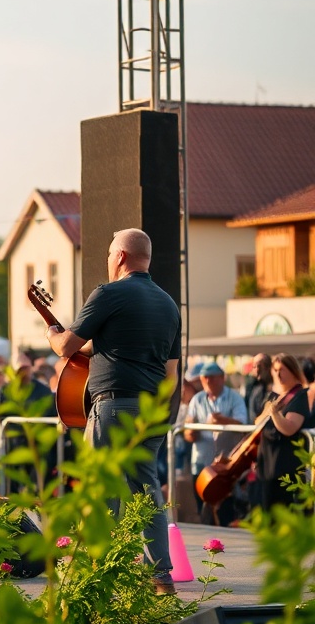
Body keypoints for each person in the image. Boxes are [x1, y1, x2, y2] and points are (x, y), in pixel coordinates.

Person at [46, 228, 181, 596]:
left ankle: (99, 574)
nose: (107, 260)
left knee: (101, 490)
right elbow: (171, 374)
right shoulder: (168, 304)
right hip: (152, 412)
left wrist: (51, 334)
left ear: (120, 256)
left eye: (109, 253)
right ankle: (161, 577)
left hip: (113, 406)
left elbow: (65, 346)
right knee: (147, 493)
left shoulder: (108, 293)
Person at [183, 362, 247, 526]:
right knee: (202, 507)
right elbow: (187, 432)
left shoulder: (235, 398)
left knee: (226, 510)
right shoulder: (197, 400)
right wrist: (191, 432)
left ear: (222, 378)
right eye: (204, 378)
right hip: (202, 462)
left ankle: (225, 538)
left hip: (226, 465)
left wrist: (221, 421)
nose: (208, 381)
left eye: (211, 377)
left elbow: (243, 424)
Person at [255, 353, 310, 515]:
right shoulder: (274, 397)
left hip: (286, 469)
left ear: (293, 371)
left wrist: (274, 414)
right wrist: (267, 411)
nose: (278, 375)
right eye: (275, 370)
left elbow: (289, 428)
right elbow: (257, 423)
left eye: (282, 370)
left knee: (284, 515)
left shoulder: (300, 396)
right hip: (267, 466)